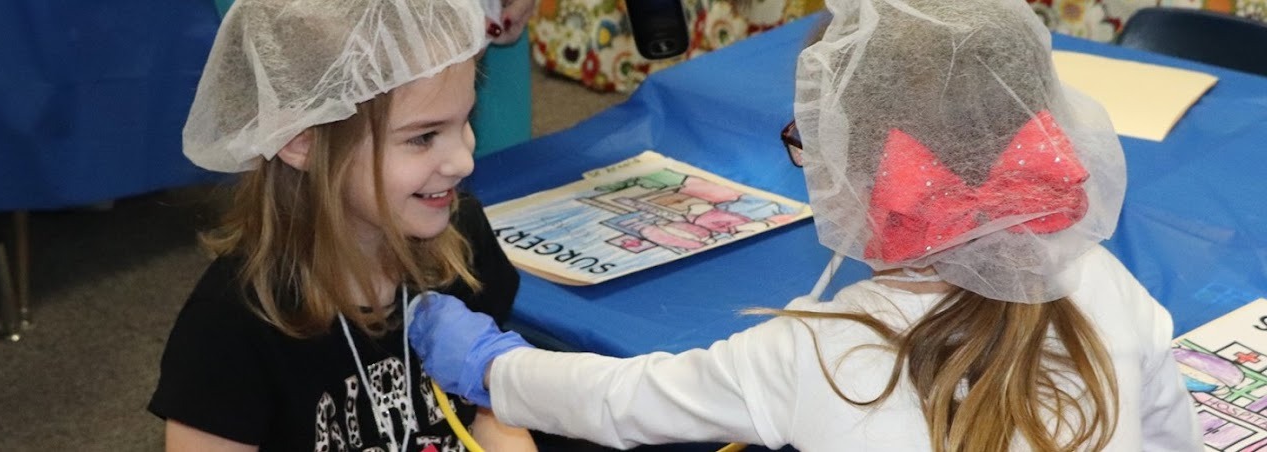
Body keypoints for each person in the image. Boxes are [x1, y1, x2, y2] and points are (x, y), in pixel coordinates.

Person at [404, 0, 1204, 450]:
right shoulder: (1107, 285)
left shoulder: (820, 351)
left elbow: (622, 400)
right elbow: (1175, 441)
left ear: (849, 167)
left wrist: (491, 366)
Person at [147, 0, 537, 450]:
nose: (464, 160)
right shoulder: (230, 326)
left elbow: (492, 417)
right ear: (302, 142)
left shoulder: (461, 238)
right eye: (423, 137)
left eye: (465, 121)